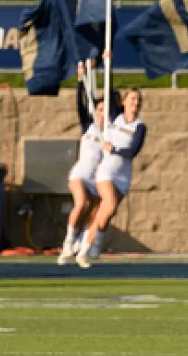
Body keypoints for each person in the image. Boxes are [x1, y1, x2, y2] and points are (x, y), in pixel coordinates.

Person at [77, 83, 145, 268]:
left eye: (138, 100)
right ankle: (84, 250)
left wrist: (113, 149)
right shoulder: (115, 117)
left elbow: (132, 151)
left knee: (107, 213)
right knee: (109, 205)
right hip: (106, 172)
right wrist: (104, 64)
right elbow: (109, 87)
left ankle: (93, 241)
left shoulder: (140, 127)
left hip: (123, 176)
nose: (135, 102)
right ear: (124, 102)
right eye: (132, 99)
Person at [58, 61, 118, 266]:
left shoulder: (110, 132)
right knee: (81, 203)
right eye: (99, 109)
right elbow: (80, 103)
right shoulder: (88, 126)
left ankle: (79, 243)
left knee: (94, 212)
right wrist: (80, 79)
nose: (101, 113)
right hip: (80, 174)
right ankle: (67, 241)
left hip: (96, 179)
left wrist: (108, 66)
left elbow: (113, 98)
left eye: (105, 110)